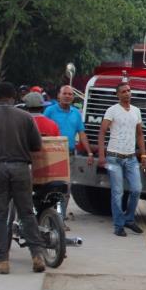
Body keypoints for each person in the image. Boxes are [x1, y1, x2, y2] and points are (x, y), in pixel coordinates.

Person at [0, 82, 47, 274]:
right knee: (27, 213)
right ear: (14, 97)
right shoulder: (26, 117)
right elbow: (37, 146)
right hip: (22, 169)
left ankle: (3, 261)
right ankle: (37, 256)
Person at [97, 82, 146, 237]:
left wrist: (143, 155)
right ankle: (119, 225)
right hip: (114, 158)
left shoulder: (136, 111)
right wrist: (101, 155)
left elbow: (139, 134)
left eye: (129, 90)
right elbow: (102, 132)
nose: (127, 93)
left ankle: (129, 219)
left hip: (131, 158)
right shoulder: (112, 110)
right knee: (117, 192)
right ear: (118, 95)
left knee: (137, 189)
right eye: (123, 91)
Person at [44, 84, 94, 218]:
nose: (67, 96)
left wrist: (89, 152)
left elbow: (82, 134)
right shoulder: (50, 111)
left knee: (66, 188)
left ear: (73, 97)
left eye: (70, 94)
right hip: (52, 155)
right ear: (59, 96)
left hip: (69, 156)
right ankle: (48, 216)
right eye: (64, 94)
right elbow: (42, 130)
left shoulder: (76, 113)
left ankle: (61, 218)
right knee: (51, 187)